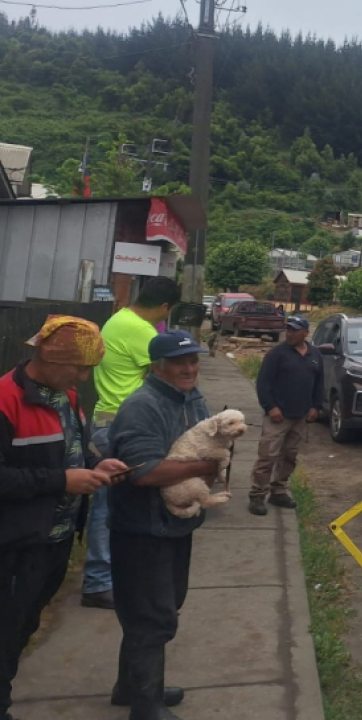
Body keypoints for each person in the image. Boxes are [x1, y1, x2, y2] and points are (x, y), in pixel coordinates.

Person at [0, 316, 124, 720]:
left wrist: (96, 464)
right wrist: (62, 481)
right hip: (15, 545)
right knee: (5, 633)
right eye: (79, 368)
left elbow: (72, 450)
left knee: (23, 627)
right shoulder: (5, 400)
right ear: (51, 359)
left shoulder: (67, 397)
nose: (84, 378)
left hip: (56, 540)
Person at [108, 331, 222, 720]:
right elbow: (144, 472)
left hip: (174, 525)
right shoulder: (143, 406)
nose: (189, 369)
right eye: (178, 363)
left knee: (164, 605)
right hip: (142, 529)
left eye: (193, 361)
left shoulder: (191, 397)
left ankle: (130, 687)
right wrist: (205, 466)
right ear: (157, 367)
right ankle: (146, 706)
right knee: (152, 616)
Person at [84, 277, 181, 611]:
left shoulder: (118, 318)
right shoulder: (141, 331)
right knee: (109, 505)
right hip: (123, 424)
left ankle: (106, 577)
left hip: (107, 416)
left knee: (113, 501)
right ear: (165, 307)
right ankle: (98, 582)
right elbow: (166, 375)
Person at [248, 316, 321, 516]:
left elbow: (319, 382)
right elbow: (263, 383)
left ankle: (278, 492)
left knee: (289, 456)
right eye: (288, 330)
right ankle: (257, 495)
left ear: (306, 333)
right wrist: (271, 407)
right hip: (278, 416)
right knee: (267, 457)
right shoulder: (277, 354)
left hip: (301, 416)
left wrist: (315, 406)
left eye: (295, 330)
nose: (290, 333)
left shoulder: (315, 354)